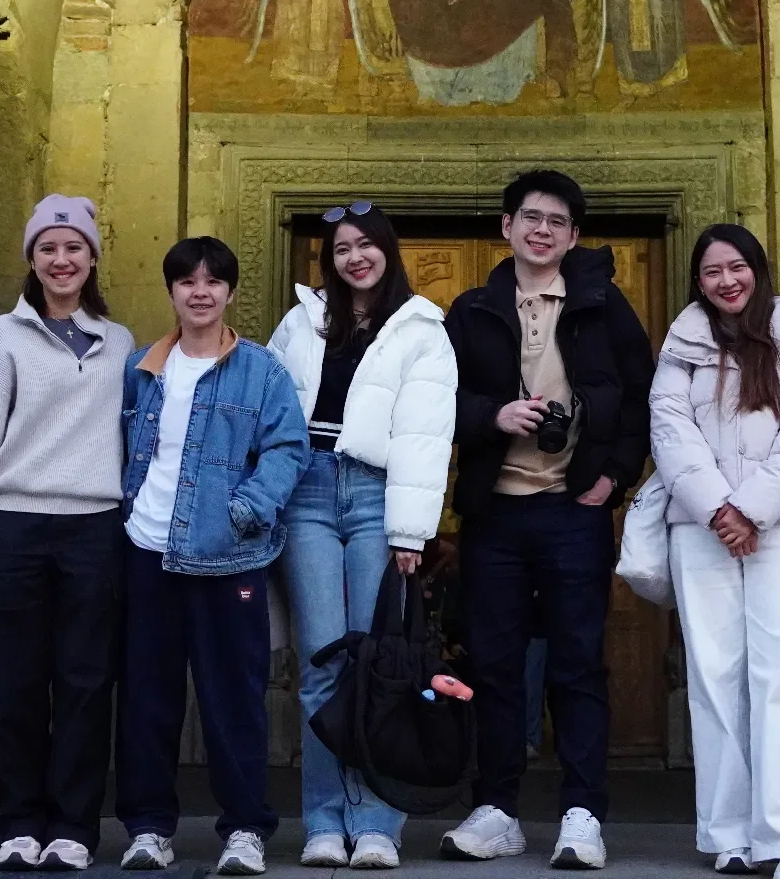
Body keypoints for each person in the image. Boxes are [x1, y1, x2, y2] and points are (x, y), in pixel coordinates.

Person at [439, 169, 654, 870]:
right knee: (495, 666)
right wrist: (491, 416)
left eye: (556, 221)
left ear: (573, 236)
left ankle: (581, 814)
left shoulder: (602, 305)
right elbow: (435, 402)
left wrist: (615, 478)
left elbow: (641, 398)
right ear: (506, 227)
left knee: (578, 667)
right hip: (495, 511)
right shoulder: (471, 311)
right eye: (529, 217)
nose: (541, 230)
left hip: (573, 510)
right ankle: (497, 808)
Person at [0, 194, 135, 872]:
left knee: (84, 683)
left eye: (73, 246)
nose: (61, 259)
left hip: (95, 530)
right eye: (48, 248)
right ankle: (18, 824)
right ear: (32, 259)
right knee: (16, 684)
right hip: (13, 527)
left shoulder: (120, 342)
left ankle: (75, 827)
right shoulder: (3, 337)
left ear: (92, 258)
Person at [267, 201, 457, 869]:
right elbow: (270, 409)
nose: (355, 257)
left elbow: (426, 436)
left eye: (366, 245)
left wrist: (412, 530)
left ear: (388, 251)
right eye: (342, 247)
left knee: (379, 664)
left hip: (377, 495)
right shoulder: (300, 320)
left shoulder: (422, 329)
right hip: (308, 492)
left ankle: (376, 821)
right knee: (323, 663)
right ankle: (323, 820)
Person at [115, 237, 313, 877]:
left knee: (234, 701)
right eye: (187, 281)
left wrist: (244, 511)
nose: (200, 292)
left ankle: (246, 831)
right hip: (148, 550)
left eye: (212, 282)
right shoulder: (143, 367)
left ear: (230, 292)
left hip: (230, 560)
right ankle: (147, 828)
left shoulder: (263, 370)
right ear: (171, 291)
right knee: (147, 699)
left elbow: (288, 449)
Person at [650, 224, 780, 879]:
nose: (726, 281)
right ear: (697, 282)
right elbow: (670, 432)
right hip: (700, 529)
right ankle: (729, 833)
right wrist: (718, 509)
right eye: (711, 272)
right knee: (714, 677)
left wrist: (751, 509)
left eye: (737, 268)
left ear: (757, 269)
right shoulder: (679, 348)